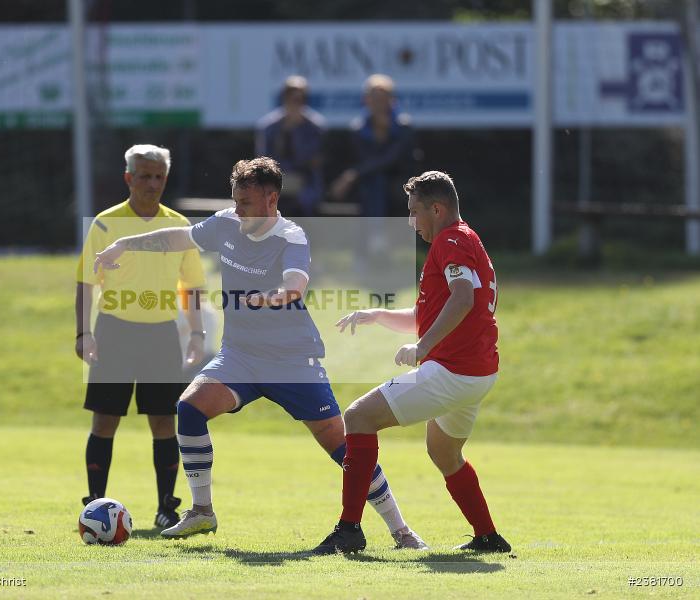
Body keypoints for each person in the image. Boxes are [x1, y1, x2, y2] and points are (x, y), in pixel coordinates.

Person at [94, 157, 426, 549]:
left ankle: (401, 531)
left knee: (342, 444)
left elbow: (296, 286)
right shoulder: (225, 223)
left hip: (291, 360)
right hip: (240, 356)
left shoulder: (292, 236)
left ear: (271, 199)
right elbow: (178, 240)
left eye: (246, 202)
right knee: (190, 406)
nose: (238, 209)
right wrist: (125, 244)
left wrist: (270, 298)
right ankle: (202, 511)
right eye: (235, 200)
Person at [312, 171, 511, 555]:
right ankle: (488, 537)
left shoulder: (450, 240)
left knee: (357, 418)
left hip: (454, 370)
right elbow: (435, 311)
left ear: (436, 209)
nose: (410, 221)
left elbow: (463, 298)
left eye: (414, 211)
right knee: (444, 453)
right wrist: (378, 314)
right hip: (479, 372)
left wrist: (422, 347)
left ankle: (349, 530)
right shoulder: (465, 239)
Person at [76, 144, 206, 530]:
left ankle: (166, 506)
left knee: (164, 422)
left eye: (159, 177)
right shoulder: (104, 223)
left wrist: (197, 333)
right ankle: (94, 504)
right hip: (114, 330)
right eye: (145, 176)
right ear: (128, 178)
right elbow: (84, 283)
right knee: (105, 421)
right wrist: (83, 331)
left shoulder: (181, 227)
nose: (152, 183)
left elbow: (193, 286)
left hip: (162, 335)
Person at [330, 74, 415, 256]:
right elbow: (364, 161)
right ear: (366, 100)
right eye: (374, 98)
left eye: (383, 98)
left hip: (399, 181)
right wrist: (355, 174)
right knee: (374, 182)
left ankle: (373, 243)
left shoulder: (403, 127)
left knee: (377, 182)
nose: (378, 103)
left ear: (392, 100)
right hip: (368, 184)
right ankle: (375, 244)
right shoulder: (358, 129)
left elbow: (391, 161)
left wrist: (352, 175)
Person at [255, 75, 325, 217]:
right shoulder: (269, 127)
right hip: (276, 181)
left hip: (306, 181)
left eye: (299, 99)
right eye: (291, 98)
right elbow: (262, 161)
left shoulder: (315, 127)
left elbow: (313, 161)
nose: (295, 103)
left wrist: (294, 130)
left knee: (305, 201)